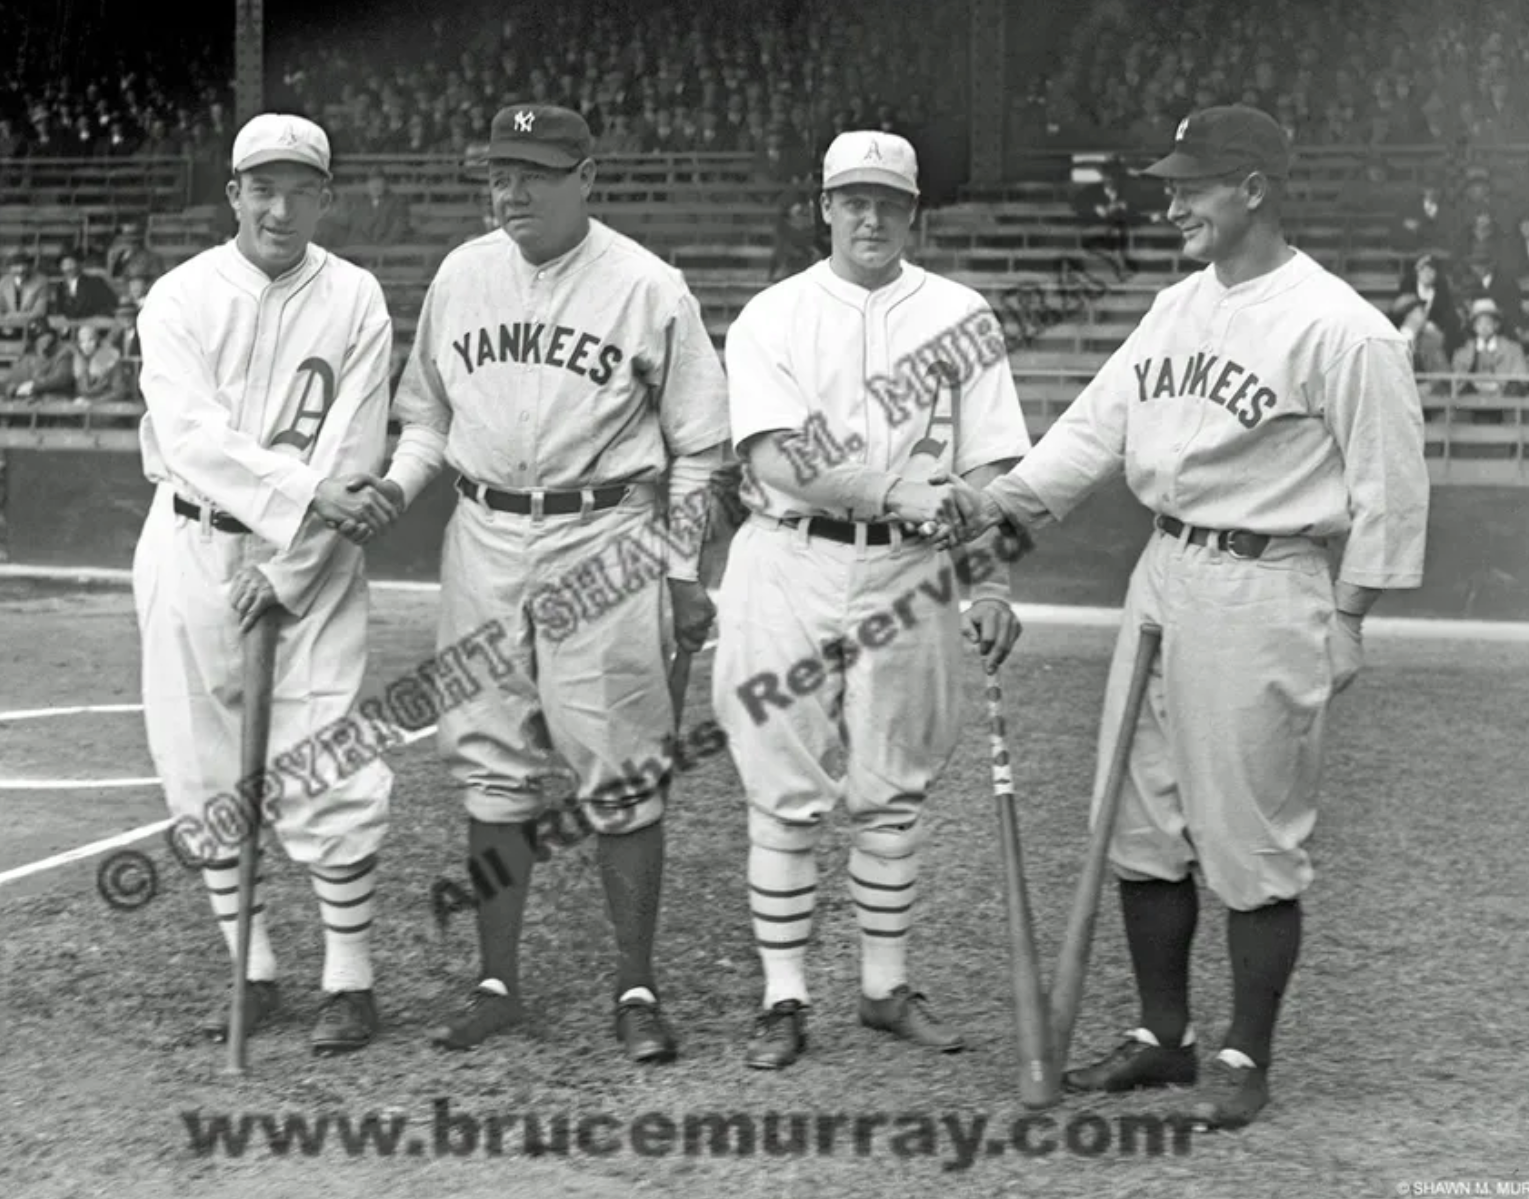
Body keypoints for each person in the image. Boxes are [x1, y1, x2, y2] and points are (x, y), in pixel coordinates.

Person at [941, 106, 1430, 1131]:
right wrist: (1005, 500)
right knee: (1138, 815)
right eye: (1168, 184)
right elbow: (1096, 426)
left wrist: (1350, 616)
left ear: (1253, 187)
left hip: (1267, 577)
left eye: (1191, 185)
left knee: (1251, 831)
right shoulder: (1174, 305)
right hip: (1165, 563)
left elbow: (1392, 489)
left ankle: (1246, 1051)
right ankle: (1167, 1036)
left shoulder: (1342, 325)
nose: (1170, 204)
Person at [356, 104, 730, 1064]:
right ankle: (496, 984)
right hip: (482, 530)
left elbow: (700, 450)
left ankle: (637, 986)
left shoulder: (649, 286)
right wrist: (397, 489)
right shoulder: (461, 273)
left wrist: (682, 568)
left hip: (605, 534)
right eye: (497, 173)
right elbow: (426, 416)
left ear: (587, 176)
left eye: (531, 172)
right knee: (488, 758)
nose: (509, 191)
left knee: (623, 764)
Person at [713, 130, 1032, 1072]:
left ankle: (886, 987)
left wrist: (994, 577)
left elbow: (989, 462)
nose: (871, 217)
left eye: (889, 201)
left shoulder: (962, 313)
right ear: (824, 207)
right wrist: (893, 489)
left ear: (914, 210)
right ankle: (784, 996)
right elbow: (778, 454)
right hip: (788, 557)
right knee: (783, 788)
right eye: (853, 199)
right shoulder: (773, 314)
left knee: (893, 789)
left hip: (913, 569)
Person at [131, 113, 404, 1057]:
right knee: (201, 766)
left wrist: (290, 565)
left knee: (328, 756)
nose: (279, 206)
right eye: (262, 186)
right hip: (191, 542)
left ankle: (349, 980)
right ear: (234, 192)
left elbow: (357, 448)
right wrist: (297, 505)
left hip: (315, 554)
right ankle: (250, 968)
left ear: (327, 195)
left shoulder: (358, 296)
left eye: (300, 188)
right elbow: (192, 436)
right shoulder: (178, 296)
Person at [4, 318, 75, 399]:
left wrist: (33, 385)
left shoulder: (63, 352)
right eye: (39, 338)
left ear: (52, 335)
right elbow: (12, 381)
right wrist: (14, 390)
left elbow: (61, 378)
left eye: (46, 336)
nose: (44, 341)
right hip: (29, 405)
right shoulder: (27, 358)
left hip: (56, 402)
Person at [51, 252, 120, 321]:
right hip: (69, 324)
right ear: (60, 268)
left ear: (78, 265)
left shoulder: (94, 282)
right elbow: (59, 310)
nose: (68, 268)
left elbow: (110, 305)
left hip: (94, 323)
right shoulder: (60, 287)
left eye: (71, 263)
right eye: (64, 265)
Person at [71, 322, 125, 402]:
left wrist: (93, 402)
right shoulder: (78, 361)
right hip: (83, 409)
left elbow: (120, 392)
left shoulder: (111, 358)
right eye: (82, 341)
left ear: (97, 340)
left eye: (90, 340)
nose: (86, 345)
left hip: (108, 408)